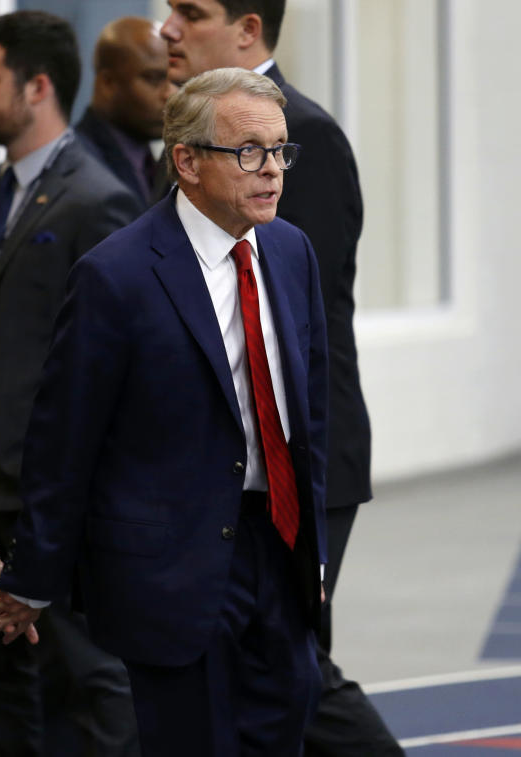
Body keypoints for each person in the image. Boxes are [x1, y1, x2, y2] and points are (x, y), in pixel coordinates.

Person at [0, 67, 328, 756]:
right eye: (249, 151)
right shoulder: (118, 274)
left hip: (278, 550)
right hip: (174, 567)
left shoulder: (291, 251)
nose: (272, 171)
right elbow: (64, 440)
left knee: (286, 724)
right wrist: (35, 578)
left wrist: (309, 553)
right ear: (188, 161)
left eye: (280, 150)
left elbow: (308, 410)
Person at [159, 2, 402, 753]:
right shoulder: (190, 135)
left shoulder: (306, 136)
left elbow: (300, 325)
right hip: (225, 465)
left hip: (294, 461)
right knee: (247, 667)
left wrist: (285, 465)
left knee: (291, 669)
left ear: (247, 30)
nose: (167, 28)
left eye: (189, 12)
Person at [0, 10, 143, 757]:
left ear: (38, 87)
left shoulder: (101, 200)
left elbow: (114, 364)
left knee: (86, 691)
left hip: (52, 507)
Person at [74, 16, 171, 211]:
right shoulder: (77, 166)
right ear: (108, 83)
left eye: (174, 80)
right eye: (153, 79)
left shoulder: (160, 164)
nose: (169, 94)